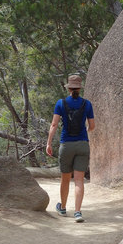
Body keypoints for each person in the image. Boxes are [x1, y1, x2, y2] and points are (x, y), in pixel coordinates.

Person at [46, 74, 95, 222]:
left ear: (69, 88)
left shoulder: (61, 103)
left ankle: (63, 208)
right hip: (82, 145)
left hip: (66, 145)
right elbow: (92, 126)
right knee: (79, 180)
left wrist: (48, 143)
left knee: (65, 179)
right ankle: (78, 212)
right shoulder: (87, 104)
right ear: (79, 88)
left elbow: (54, 125)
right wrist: (84, 133)